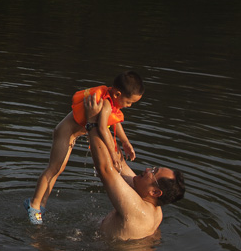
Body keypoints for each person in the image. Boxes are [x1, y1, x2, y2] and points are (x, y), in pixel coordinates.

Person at [26, 71, 144, 225]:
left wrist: (125, 142)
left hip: (71, 135)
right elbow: (102, 128)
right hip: (65, 133)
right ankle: (34, 204)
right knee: (53, 168)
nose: (129, 106)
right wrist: (113, 155)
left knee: (58, 170)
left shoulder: (112, 102)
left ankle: (41, 205)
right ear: (117, 94)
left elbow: (115, 122)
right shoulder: (106, 104)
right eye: (129, 102)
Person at [83, 91, 185, 240]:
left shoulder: (138, 210)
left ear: (155, 192)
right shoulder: (153, 206)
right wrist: (107, 118)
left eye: (153, 172)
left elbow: (105, 170)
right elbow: (119, 164)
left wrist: (92, 122)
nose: (147, 169)